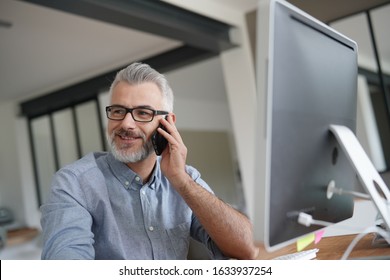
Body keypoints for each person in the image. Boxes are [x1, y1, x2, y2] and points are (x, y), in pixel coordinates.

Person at [40, 62, 259, 260]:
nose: (126, 123)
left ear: (167, 124)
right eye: (118, 111)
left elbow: (248, 248)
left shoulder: (185, 178)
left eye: (143, 113)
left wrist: (182, 182)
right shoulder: (74, 184)